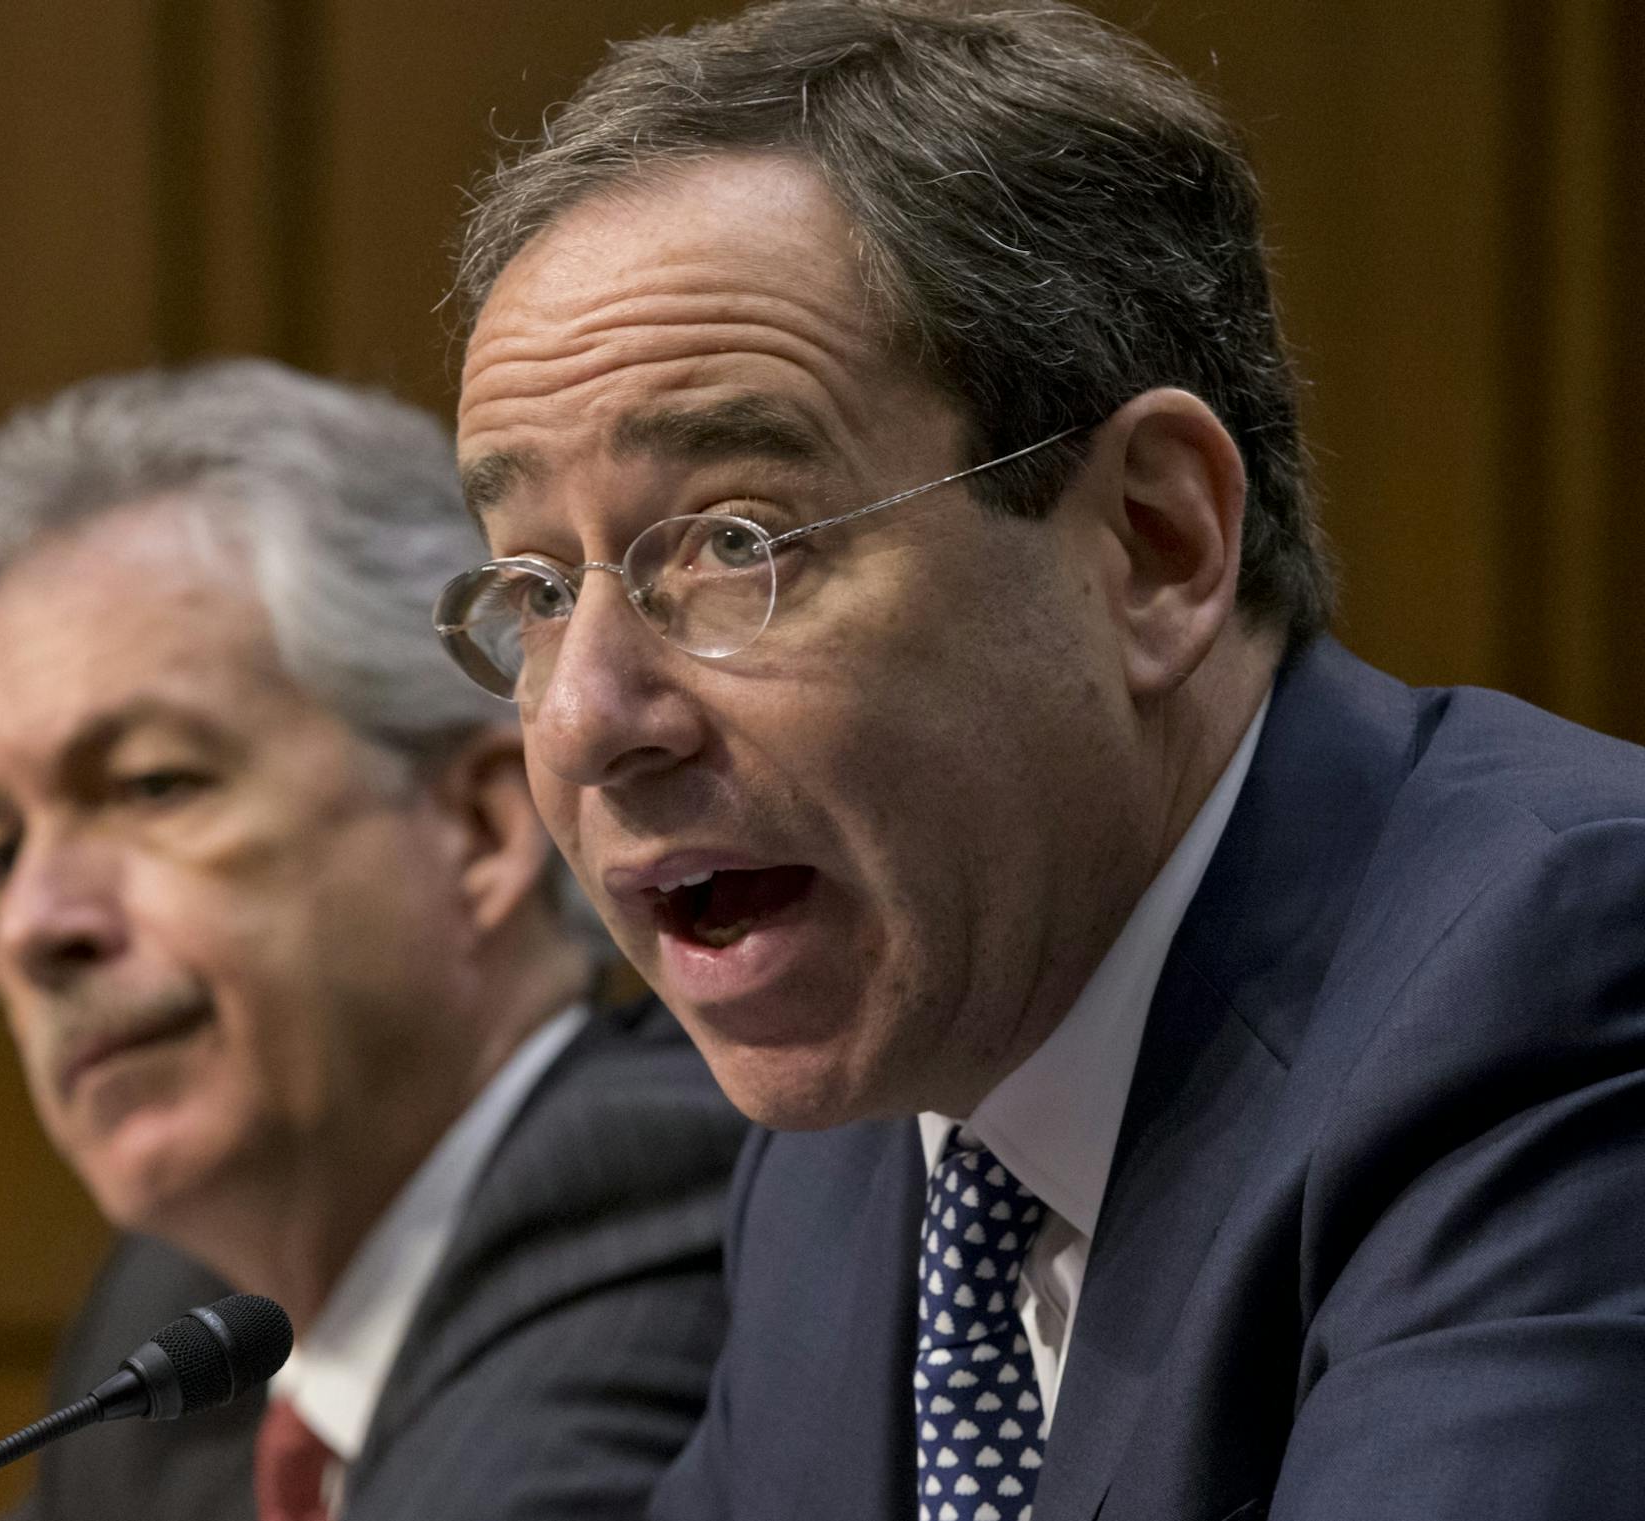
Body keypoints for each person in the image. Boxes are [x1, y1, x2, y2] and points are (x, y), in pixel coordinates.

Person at [433, 3, 1645, 1517]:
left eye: (737, 545)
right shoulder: (854, 1148)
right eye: (540, 589)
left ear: (1152, 542)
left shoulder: (1553, 987)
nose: (582, 722)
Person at [0, 360, 745, 1520]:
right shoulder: (179, 1319)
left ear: (481, 830)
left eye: (152, 785)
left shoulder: (651, 1185)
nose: (35, 925)